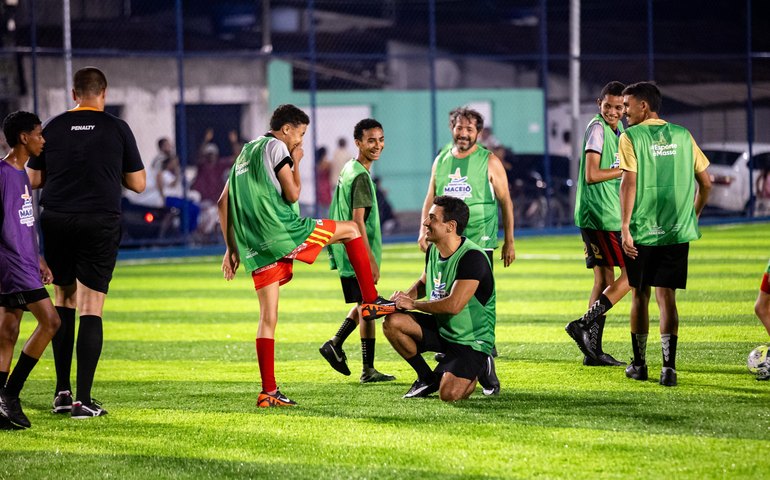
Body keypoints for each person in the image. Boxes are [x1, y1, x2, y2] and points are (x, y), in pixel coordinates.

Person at [218, 104, 395, 408]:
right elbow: (293, 194)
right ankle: (370, 302)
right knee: (352, 230)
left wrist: (231, 248)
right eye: (299, 134)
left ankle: (268, 392)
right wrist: (297, 161)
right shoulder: (276, 146)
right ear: (287, 128)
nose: (299, 141)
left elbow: (223, 202)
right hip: (284, 231)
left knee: (267, 318)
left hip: (255, 244)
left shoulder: (245, 153)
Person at [27, 66, 146, 417]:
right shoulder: (117, 128)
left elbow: (34, 178)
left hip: (57, 218)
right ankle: (83, 399)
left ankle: (61, 393)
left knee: (63, 299)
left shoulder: (54, 126)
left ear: (74, 93)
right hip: (99, 220)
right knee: (91, 305)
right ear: (104, 93)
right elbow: (138, 184)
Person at [618, 82, 711, 387]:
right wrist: (692, 216)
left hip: (644, 230)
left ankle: (639, 364)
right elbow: (706, 183)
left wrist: (625, 227)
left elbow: (628, 183)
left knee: (639, 296)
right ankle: (669, 369)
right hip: (675, 231)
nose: (623, 113)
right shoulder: (683, 135)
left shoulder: (631, 137)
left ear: (643, 106)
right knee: (666, 298)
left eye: (627, 106)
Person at [418, 107, 512, 388]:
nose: (464, 133)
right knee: (442, 290)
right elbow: (431, 195)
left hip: (478, 242)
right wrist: (423, 230)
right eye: (460, 128)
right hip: (445, 241)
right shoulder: (442, 160)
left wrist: (510, 240)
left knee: (476, 300)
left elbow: (506, 201)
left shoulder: (489, 161)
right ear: (452, 128)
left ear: (478, 133)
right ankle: (453, 347)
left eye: (470, 129)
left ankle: (482, 350)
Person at [383, 196, 496, 401]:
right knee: (392, 322)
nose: (425, 222)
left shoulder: (473, 257)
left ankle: (480, 364)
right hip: (443, 329)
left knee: (449, 395)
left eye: (432, 218)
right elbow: (425, 283)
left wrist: (413, 304)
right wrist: (400, 300)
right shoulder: (434, 250)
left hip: (470, 340)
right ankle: (426, 378)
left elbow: (454, 305)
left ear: (450, 226)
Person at [319, 119, 395, 384]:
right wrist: (369, 259)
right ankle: (360, 363)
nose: (377, 145)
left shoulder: (349, 168)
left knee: (365, 304)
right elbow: (358, 220)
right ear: (358, 143)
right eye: (371, 140)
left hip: (346, 251)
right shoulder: (361, 176)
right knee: (370, 305)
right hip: (357, 252)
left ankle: (340, 347)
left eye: (381, 139)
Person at [0, 111, 60, 430]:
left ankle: (0, 402)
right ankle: (10, 395)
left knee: (8, 332)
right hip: (13, 267)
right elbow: (8, 229)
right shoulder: (4, 174)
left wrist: (38, 258)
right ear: (24, 137)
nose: (43, 139)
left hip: (23, 263)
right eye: (39, 134)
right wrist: (26, 264)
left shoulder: (21, 173)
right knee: (51, 322)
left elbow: (25, 222)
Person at [565, 81, 628, 367]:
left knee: (603, 280)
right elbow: (591, 174)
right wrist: (624, 171)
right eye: (609, 106)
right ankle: (582, 325)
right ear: (598, 103)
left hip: (602, 214)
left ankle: (593, 352)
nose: (613, 111)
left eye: (619, 107)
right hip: (601, 215)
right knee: (634, 273)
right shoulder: (598, 129)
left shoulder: (619, 130)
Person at [314, 146, 332, 218]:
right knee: (327, 210)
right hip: (326, 187)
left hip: (319, 187)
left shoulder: (316, 165)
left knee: (320, 210)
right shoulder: (327, 164)